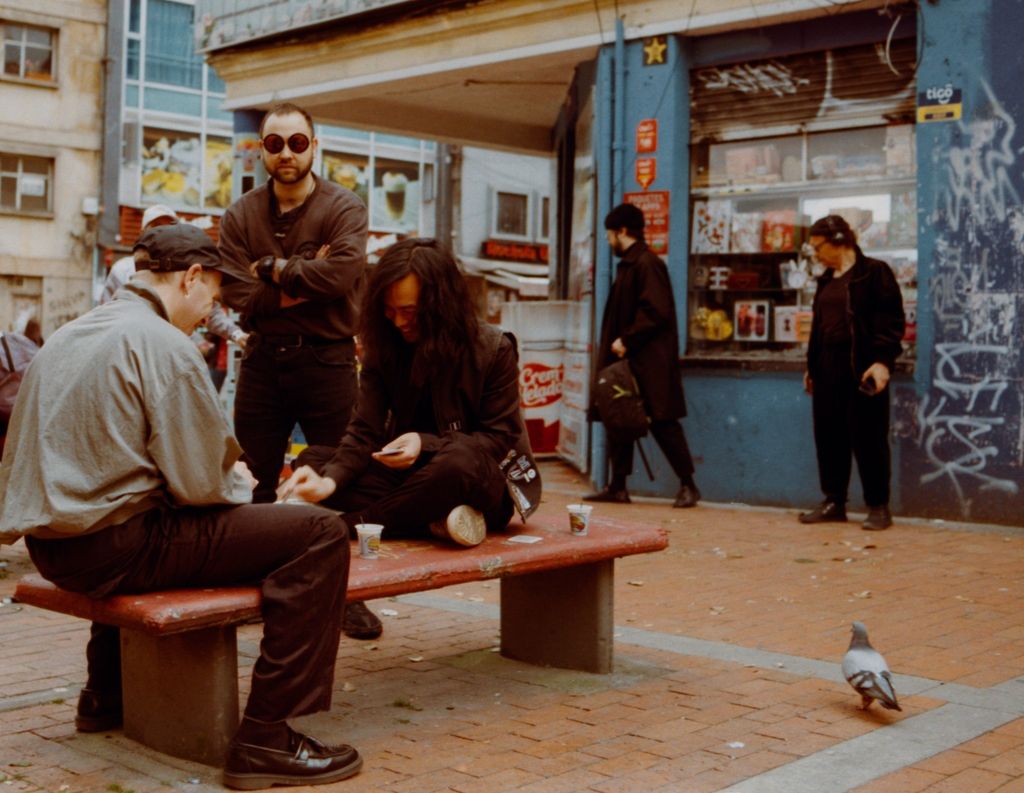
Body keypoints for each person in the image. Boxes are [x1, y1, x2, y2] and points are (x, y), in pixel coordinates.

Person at [0, 223, 362, 790]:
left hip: (53, 549)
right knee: (318, 532)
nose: (209, 313)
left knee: (137, 503)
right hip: (117, 546)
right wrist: (235, 478)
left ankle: (105, 694)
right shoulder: (164, 343)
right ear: (192, 278)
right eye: (212, 299)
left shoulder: (70, 335)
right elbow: (201, 486)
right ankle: (266, 737)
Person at [279, 238, 540, 554]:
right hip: (411, 481)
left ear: (440, 307)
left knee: (457, 462)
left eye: (410, 312)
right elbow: (363, 432)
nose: (399, 322)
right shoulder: (385, 346)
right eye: (389, 311)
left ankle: (350, 524)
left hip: (476, 480)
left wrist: (426, 443)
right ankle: (434, 520)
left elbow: (498, 439)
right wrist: (329, 483)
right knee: (314, 461)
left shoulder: (493, 348)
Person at [218, 101, 368, 506]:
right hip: (262, 361)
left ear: (313, 146)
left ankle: (330, 558)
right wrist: (309, 276)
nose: (287, 152)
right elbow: (235, 294)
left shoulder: (344, 208)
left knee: (338, 472)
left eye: (297, 142)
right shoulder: (239, 215)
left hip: (328, 360)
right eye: (275, 142)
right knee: (249, 480)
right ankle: (256, 558)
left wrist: (273, 269)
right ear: (263, 148)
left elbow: (340, 278)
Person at [584, 203, 700, 508]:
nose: (608, 240)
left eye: (610, 233)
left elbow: (656, 311)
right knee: (618, 417)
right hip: (632, 361)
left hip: (648, 363)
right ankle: (618, 486)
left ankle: (689, 485)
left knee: (663, 422)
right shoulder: (634, 264)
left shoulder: (646, 264)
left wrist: (627, 339)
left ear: (622, 231)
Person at [798, 214, 905, 531]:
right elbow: (819, 328)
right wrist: (812, 366)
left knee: (869, 436)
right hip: (827, 365)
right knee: (828, 435)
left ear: (839, 242)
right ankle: (834, 502)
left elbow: (891, 321)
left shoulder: (874, 273)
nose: (816, 254)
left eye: (819, 247)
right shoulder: (826, 279)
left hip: (862, 366)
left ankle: (878, 506)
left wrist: (883, 361)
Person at [100, 205, 248, 350]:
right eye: (156, 226)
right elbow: (108, 313)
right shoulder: (122, 269)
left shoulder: (187, 267)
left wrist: (235, 334)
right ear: (143, 231)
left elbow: (206, 310)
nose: (163, 230)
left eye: (169, 225)